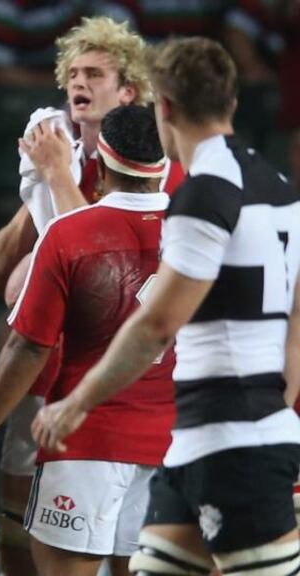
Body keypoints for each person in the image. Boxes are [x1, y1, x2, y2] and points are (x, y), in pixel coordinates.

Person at [33, 38, 300, 576]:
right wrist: (279, 411)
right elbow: (296, 328)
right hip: (209, 442)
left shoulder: (203, 194)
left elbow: (157, 323)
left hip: (232, 445)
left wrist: (77, 401)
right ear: (232, 101)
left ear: (166, 108)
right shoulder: (280, 189)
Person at [0, 105, 177, 576]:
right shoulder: (201, 233)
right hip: (175, 447)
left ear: (102, 163)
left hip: (85, 443)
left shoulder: (69, 235)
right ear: (165, 163)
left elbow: (28, 347)